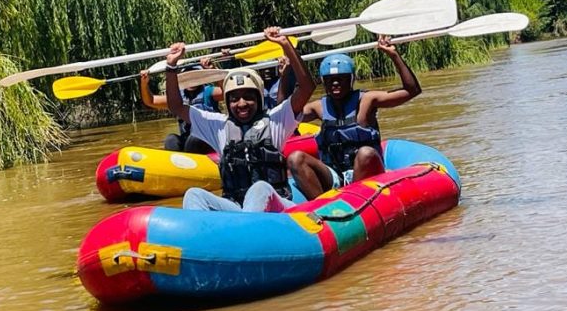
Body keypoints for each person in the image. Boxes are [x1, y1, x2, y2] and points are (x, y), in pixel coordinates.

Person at [164, 27, 314, 212]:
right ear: (227, 102)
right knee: (193, 194)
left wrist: (286, 45)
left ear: (258, 99)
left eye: (248, 97)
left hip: (277, 208)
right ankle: (205, 237)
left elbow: (307, 88)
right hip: (237, 209)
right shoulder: (218, 125)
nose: (241, 103)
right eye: (234, 99)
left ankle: (247, 236)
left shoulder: (276, 120)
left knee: (259, 189)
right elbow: (176, 107)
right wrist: (171, 67)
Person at [287, 36, 422, 199]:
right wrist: (287, 73)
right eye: (330, 80)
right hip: (334, 175)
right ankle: (325, 208)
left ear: (351, 80)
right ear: (323, 82)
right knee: (296, 158)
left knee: (365, 153)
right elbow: (287, 112)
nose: (335, 83)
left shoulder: (367, 100)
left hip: (367, 173)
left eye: (341, 79)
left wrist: (393, 55)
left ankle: (356, 200)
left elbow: (411, 90)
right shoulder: (318, 107)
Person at [139, 60, 220, 155]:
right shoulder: (177, 98)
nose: (191, 81)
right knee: (171, 140)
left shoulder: (208, 92)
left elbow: (225, 91)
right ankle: (179, 165)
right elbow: (151, 101)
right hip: (188, 143)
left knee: (194, 139)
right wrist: (144, 84)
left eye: (193, 77)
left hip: (208, 140)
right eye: (187, 77)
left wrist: (214, 70)